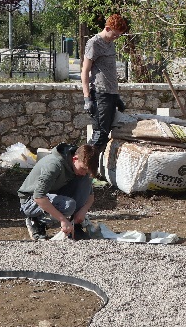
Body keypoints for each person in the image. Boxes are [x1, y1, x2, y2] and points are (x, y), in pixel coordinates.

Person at [80, 14, 129, 175]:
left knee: (104, 133)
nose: (115, 38)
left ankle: (87, 168)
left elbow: (109, 71)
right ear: (107, 29)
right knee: (100, 134)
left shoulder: (110, 43)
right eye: (114, 34)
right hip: (100, 94)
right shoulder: (94, 43)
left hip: (111, 94)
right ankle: (82, 169)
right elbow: (85, 71)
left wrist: (116, 96)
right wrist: (87, 97)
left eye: (118, 35)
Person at [18, 142, 95, 241]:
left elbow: (90, 196)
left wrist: (82, 212)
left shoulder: (79, 168)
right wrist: (62, 220)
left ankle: (74, 225)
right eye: (83, 169)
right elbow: (38, 196)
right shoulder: (54, 165)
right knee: (68, 205)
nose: (84, 172)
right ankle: (37, 220)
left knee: (85, 179)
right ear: (74, 158)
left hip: (53, 194)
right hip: (30, 201)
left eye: (87, 171)